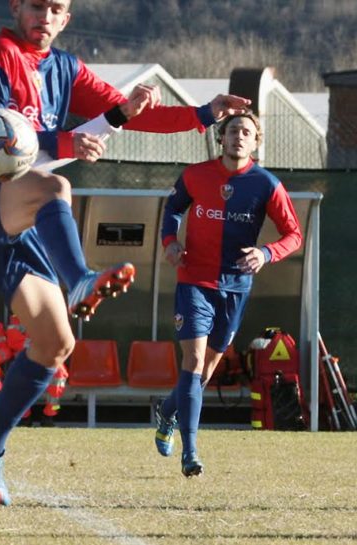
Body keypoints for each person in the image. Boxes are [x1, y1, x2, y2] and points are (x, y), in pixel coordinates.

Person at [0, 0, 253, 506]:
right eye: (36, 5)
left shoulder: (66, 67)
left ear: (66, 18)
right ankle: (78, 279)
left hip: (22, 226)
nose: (44, 16)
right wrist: (70, 139)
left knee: (55, 343)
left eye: (55, 8)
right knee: (55, 189)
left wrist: (205, 114)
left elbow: (134, 115)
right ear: (16, 7)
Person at [154, 112, 302, 477]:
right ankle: (190, 452)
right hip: (194, 280)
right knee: (192, 361)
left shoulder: (266, 184)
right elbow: (172, 209)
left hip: (235, 285)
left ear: (256, 142)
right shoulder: (194, 175)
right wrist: (171, 242)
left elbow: (293, 234)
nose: (239, 136)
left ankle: (168, 410)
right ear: (221, 137)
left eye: (246, 132)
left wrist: (266, 253)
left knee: (204, 373)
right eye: (233, 130)